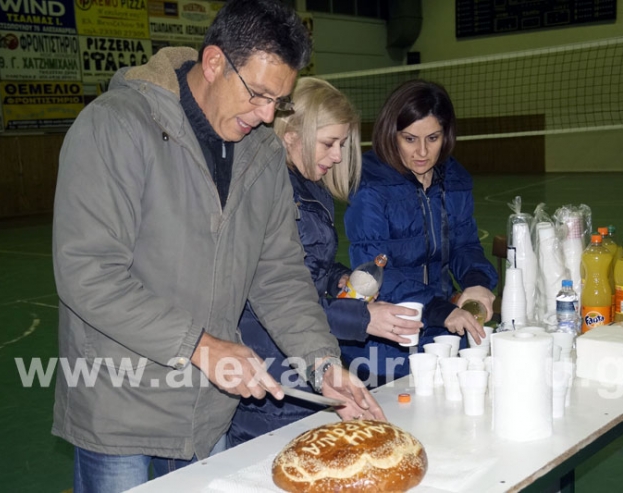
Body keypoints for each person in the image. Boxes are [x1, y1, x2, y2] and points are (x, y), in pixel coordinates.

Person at [51, 1, 384, 491]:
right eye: (258, 95)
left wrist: (323, 364)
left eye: (280, 101)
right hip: (118, 406)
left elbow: (279, 274)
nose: (268, 114)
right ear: (213, 64)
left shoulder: (263, 151)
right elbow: (87, 273)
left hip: (208, 411)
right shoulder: (115, 126)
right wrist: (201, 346)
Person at [227, 78, 422, 447]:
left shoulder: (311, 186)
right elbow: (280, 297)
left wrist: (341, 279)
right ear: (290, 135)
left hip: (305, 366)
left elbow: (311, 271)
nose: (337, 156)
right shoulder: (273, 194)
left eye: (343, 145)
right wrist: (365, 318)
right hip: (274, 370)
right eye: (329, 143)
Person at [343, 79, 498, 385]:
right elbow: (373, 270)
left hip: (441, 329)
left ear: (446, 135)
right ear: (392, 134)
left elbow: (465, 244)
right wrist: (439, 309)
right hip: (386, 338)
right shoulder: (371, 187)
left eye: (433, 138)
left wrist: (477, 283)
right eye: (410, 139)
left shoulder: (454, 178)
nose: (423, 152)